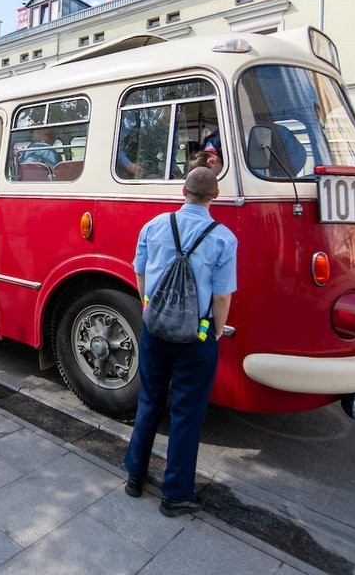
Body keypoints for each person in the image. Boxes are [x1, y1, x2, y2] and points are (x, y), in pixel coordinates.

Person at [124, 167, 237, 517]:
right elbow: (222, 296)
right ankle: (175, 495)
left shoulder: (154, 226)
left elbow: (139, 271)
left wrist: (148, 307)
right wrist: (217, 330)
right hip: (197, 337)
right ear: (215, 196)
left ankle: (135, 476)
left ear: (183, 192)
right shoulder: (223, 238)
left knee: (149, 400)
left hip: (155, 330)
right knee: (187, 413)